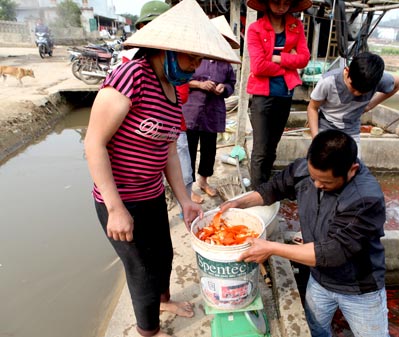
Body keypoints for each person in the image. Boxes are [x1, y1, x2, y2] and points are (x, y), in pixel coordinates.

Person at [84, 0, 240, 336]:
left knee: (165, 256)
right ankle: (148, 330)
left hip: (151, 195)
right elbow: (93, 143)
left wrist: (184, 199)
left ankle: (163, 301)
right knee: (141, 271)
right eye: (192, 57)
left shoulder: (171, 88)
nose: (196, 66)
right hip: (121, 198)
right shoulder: (131, 76)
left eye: (200, 59)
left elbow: (168, 148)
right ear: (165, 49)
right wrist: (115, 208)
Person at [219, 129, 389, 337]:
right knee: (316, 330)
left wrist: (271, 248)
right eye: (313, 178)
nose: (316, 185)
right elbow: (273, 189)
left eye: (325, 183)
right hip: (319, 279)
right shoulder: (305, 170)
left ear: (352, 170)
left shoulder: (364, 199)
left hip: (358, 288)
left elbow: (333, 252)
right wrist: (238, 202)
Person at [246, 0, 312, 189]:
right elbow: (258, 67)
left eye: (286, 2)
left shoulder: (295, 26)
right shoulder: (255, 29)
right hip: (262, 95)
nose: (281, 6)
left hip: (285, 93)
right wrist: (288, 63)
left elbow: (304, 59)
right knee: (260, 149)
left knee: (273, 146)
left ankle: (266, 188)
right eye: (276, 1)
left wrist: (278, 58)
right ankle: (256, 193)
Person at [183, 15, 238, 199]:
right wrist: (199, 85)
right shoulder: (193, 57)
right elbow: (181, 80)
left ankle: (203, 181)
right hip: (191, 111)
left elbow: (231, 84)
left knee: (209, 150)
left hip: (213, 113)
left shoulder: (226, 64)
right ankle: (188, 187)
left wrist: (224, 88)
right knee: (188, 149)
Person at [307, 51, 399, 150]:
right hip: (326, 126)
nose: (356, 93)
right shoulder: (328, 81)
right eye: (353, 86)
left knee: (354, 162)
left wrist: (370, 105)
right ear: (347, 71)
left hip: (351, 130)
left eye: (363, 91)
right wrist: (315, 138)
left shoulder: (377, 80)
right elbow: (312, 108)